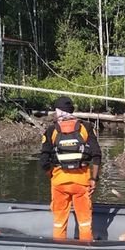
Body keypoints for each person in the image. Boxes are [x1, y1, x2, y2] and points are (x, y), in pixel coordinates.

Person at [39, 96, 102, 241]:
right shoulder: (86, 127)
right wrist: (94, 179)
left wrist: (53, 174)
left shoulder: (51, 130)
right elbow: (97, 155)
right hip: (82, 183)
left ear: (58, 111)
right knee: (85, 223)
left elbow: (43, 162)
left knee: (59, 222)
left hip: (59, 183)